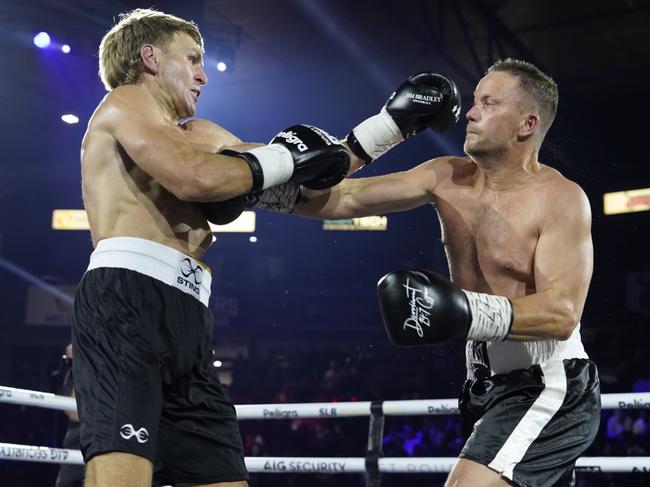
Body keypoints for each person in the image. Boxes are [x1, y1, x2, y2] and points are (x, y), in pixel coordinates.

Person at [72, 7, 459, 487]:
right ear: (149, 58)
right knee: (121, 477)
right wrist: (284, 158)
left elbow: (320, 193)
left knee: (221, 477)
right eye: (192, 59)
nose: (203, 75)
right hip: (127, 299)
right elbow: (192, 178)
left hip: (188, 315)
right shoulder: (125, 102)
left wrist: (396, 133)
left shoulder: (203, 136)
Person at [262, 58, 600, 486]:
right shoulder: (445, 176)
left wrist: (463, 310)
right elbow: (343, 199)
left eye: (489, 104)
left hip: (546, 382)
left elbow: (562, 313)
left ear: (526, 124)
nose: (471, 113)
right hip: (483, 381)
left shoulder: (561, 199)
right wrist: (258, 187)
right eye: (474, 102)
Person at [53, 344, 84, 487]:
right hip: (77, 440)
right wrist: (81, 364)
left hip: (106, 441)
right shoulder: (72, 373)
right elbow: (74, 413)